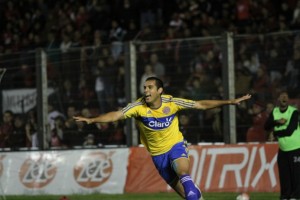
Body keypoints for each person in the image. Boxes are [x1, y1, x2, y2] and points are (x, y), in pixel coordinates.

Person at [73, 76, 251, 200]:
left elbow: (200, 104)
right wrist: (92, 119)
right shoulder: (138, 107)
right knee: (189, 195)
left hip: (176, 145)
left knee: (183, 171)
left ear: (160, 90)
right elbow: (116, 115)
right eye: (145, 88)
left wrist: (229, 102)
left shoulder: (172, 102)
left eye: (150, 87)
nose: (146, 91)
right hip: (158, 157)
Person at [264, 91, 300, 200]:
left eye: (286, 96)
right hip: (283, 149)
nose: (284, 97)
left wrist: (275, 133)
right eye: (281, 96)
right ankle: (285, 196)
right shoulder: (275, 111)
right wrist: (277, 121)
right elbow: (266, 126)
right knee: (284, 175)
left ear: (288, 99)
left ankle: (296, 197)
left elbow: (290, 131)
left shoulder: (293, 112)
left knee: (296, 175)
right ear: (278, 99)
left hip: (296, 147)